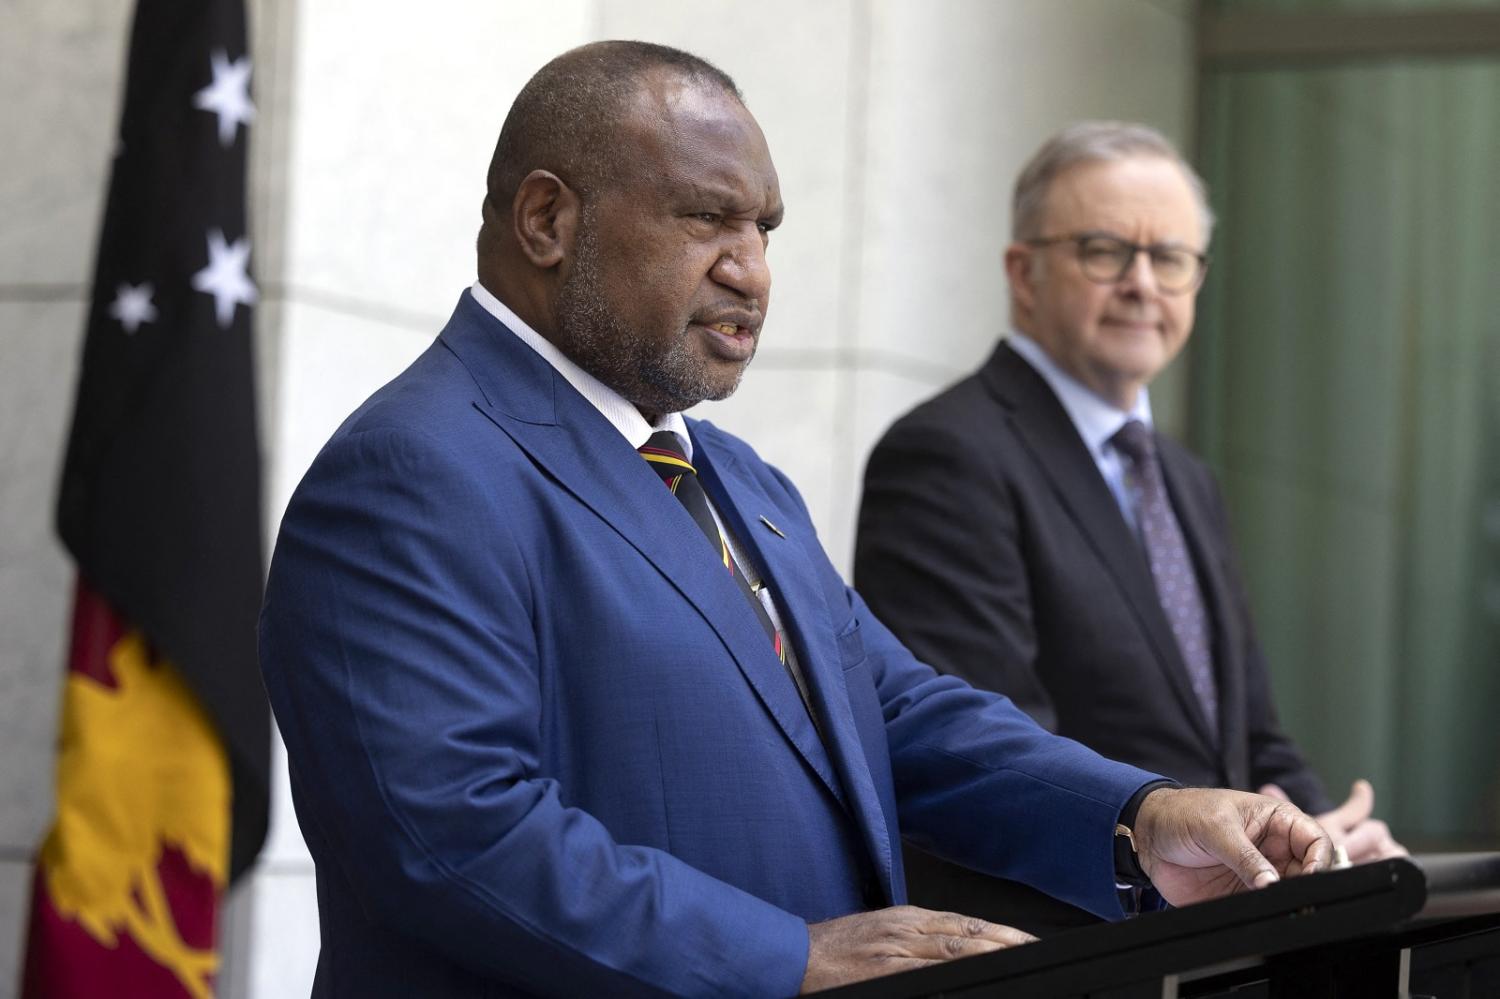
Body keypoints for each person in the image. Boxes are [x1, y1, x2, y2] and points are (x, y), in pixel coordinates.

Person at [259, 51, 1332, 998]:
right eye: (704, 218)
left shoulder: (733, 474)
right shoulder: (413, 471)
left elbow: (899, 715)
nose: (753, 271)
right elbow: (452, 834)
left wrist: (1140, 816)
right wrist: (785, 958)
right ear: (548, 220)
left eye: (763, 228)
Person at [855, 121, 1400, 926]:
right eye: (1106, 250)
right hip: (1065, 949)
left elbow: (1249, 738)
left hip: (1217, 940)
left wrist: (1325, 845)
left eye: (1170, 257)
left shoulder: (1183, 477)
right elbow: (985, 756)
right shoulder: (947, 453)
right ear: (1024, 272)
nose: (1143, 283)